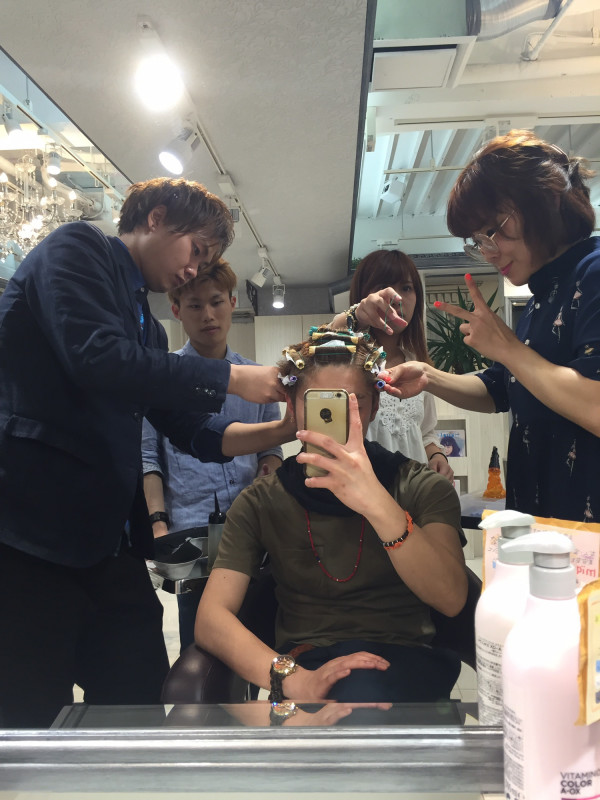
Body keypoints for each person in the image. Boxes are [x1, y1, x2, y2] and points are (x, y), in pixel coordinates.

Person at [0, 177, 293, 728]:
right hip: (29, 537)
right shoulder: (76, 248)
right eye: (195, 249)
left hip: (107, 547)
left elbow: (194, 432)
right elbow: (97, 358)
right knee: (28, 717)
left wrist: (284, 429)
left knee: (137, 698)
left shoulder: (148, 330)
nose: (193, 269)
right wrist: (233, 377)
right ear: (156, 218)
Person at [195, 327, 468, 704]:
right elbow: (211, 619)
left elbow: (451, 598)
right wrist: (292, 679)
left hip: (406, 661)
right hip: (307, 667)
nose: (336, 419)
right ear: (292, 407)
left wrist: (376, 501)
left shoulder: (420, 487)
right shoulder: (260, 502)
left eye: (353, 403)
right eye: (322, 405)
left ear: (375, 406)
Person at [366, 130, 600, 524]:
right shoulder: (543, 296)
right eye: (478, 241)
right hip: (546, 525)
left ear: (546, 200)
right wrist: (426, 375)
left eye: (493, 230)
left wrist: (508, 348)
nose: (488, 252)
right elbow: (501, 388)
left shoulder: (593, 274)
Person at [142, 257, 283, 650]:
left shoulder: (259, 379)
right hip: (191, 529)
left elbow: (271, 448)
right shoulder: (163, 377)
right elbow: (149, 459)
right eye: (194, 305)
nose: (208, 315)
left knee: (257, 633)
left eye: (217, 302)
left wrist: (268, 467)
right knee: (200, 644)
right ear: (176, 310)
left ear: (233, 303)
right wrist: (158, 525)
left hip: (252, 526)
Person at [331, 250, 453, 481]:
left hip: (414, 492)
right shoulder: (344, 358)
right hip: (359, 492)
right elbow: (323, 343)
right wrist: (356, 316)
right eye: (383, 287)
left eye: (406, 288)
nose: (396, 298)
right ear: (364, 296)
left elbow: (425, 431)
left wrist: (437, 455)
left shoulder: (418, 366)